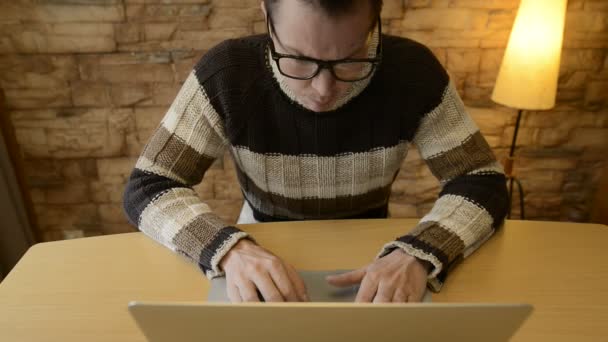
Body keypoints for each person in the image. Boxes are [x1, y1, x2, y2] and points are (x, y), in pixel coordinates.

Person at [123, 0, 509, 303]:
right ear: (266, 14)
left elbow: (480, 181)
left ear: (376, 19)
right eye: (297, 58)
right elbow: (150, 185)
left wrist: (422, 253)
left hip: (376, 253)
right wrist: (228, 251)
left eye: (351, 58)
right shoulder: (226, 74)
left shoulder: (413, 71)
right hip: (260, 246)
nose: (323, 90)